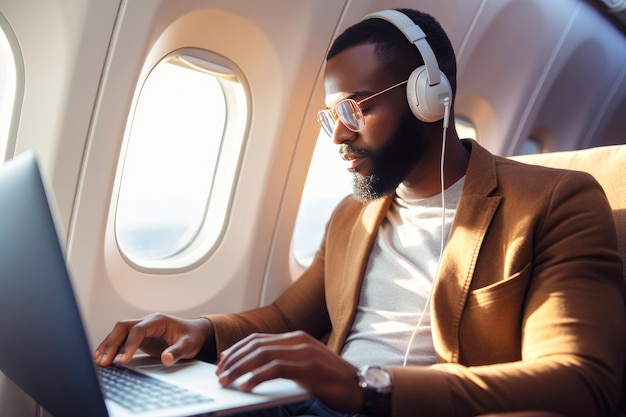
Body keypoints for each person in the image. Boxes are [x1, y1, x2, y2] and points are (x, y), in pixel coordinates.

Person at [94, 8, 625, 417]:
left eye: (355, 107)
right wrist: (199, 329)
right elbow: (284, 320)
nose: (340, 135)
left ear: (428, 97)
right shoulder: (354, 215)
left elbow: (582, 378)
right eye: (331, 117)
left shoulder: (556, 201)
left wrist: (367, 385)